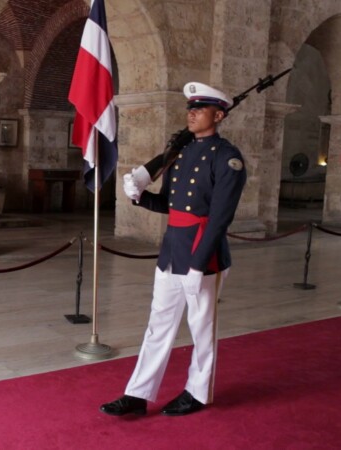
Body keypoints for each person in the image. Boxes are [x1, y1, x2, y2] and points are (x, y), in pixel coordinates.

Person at [100, 82, 247, 417]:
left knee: (202, 328)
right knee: (158, 325)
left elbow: (219, 220)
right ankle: (138, 394)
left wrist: (198, 266)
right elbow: (169, 204)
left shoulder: (228, 159)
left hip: (202, 254)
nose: (191, 113)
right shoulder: (179, 154)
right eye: (190, 108)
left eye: (200, 108)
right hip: (171, 252)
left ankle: (197, 393)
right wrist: (139, 196)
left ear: (219, 115)